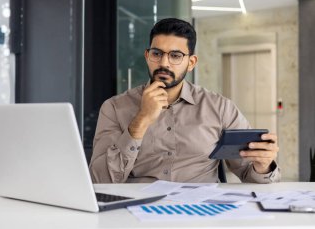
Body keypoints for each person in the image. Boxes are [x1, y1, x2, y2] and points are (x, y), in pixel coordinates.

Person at [89, 18, 280, 183]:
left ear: (191, 63)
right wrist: (141, 121)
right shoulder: (114, 108)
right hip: (137, 211)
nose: (164, 63)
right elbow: (100, 180)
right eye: (157, 54)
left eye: (175, 56)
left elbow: (248, 173)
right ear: (147, 56)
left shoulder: (220, 108)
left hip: (201, 214)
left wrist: (263, 165)